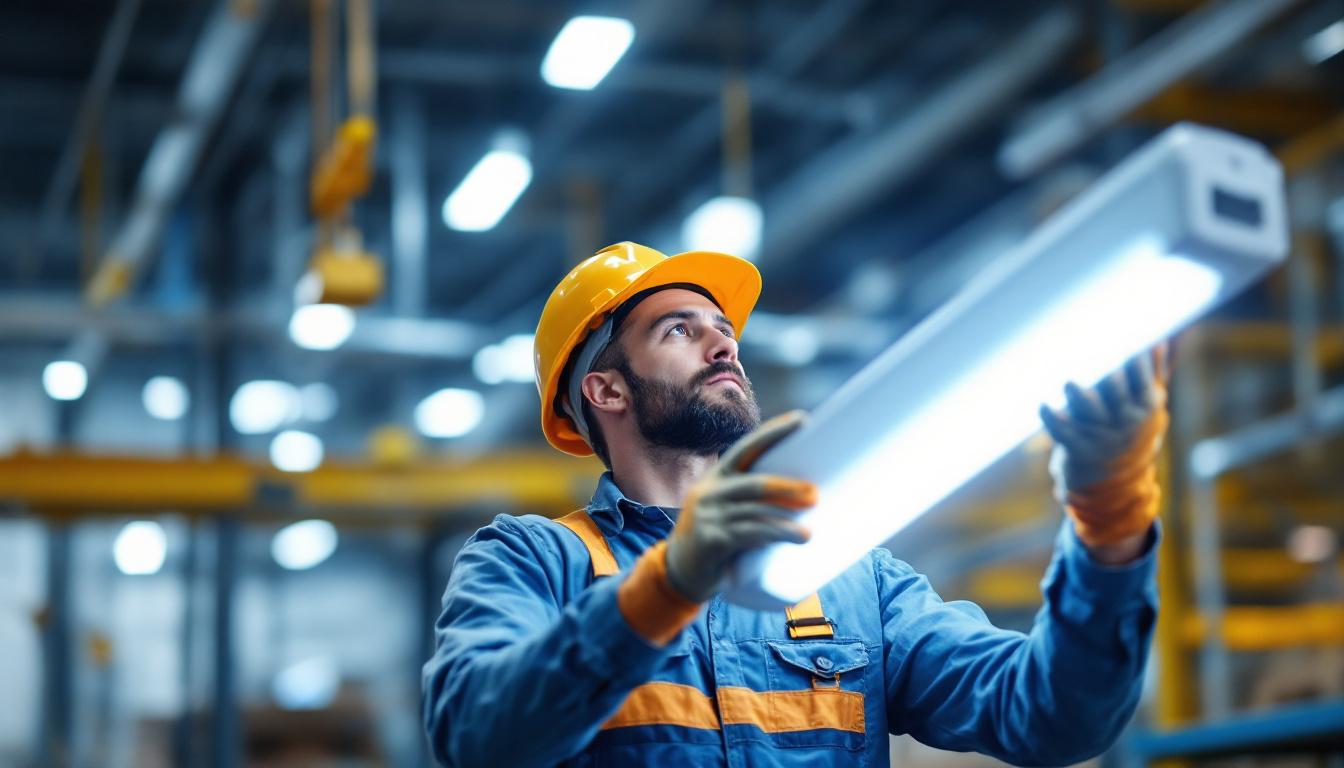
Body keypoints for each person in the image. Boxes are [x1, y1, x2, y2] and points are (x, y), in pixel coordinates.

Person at [422, 242, 1167, 767]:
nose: (722, 346)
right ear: (606, 389)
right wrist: (669, 581)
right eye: (679, 330)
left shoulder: (851, 577)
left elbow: (1054, 718)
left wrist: (1110, 519)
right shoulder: (531, 561)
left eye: (725, 331)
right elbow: (479, 738)